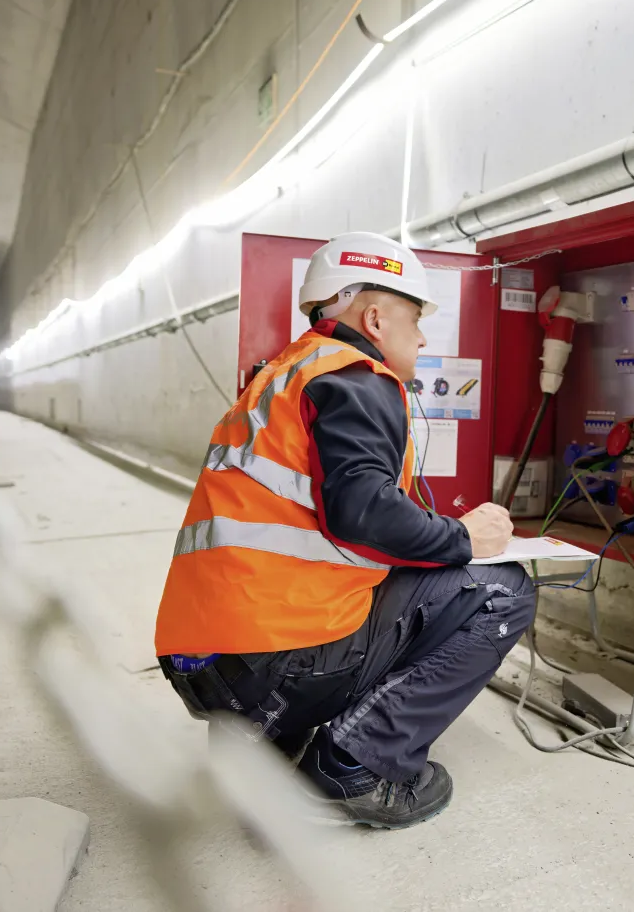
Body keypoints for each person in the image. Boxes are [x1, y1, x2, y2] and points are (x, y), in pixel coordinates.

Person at [155, 232, 535, 829]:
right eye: (416, 317)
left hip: (209, 667)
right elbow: (364, 514)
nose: (424, 336)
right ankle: (353, 768)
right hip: (274, 666)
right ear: (377, 317)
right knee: (503, 589)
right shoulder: (356, 376)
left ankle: (262, 746)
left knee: (407, 575)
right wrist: (466, 538)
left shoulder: (282, 375)